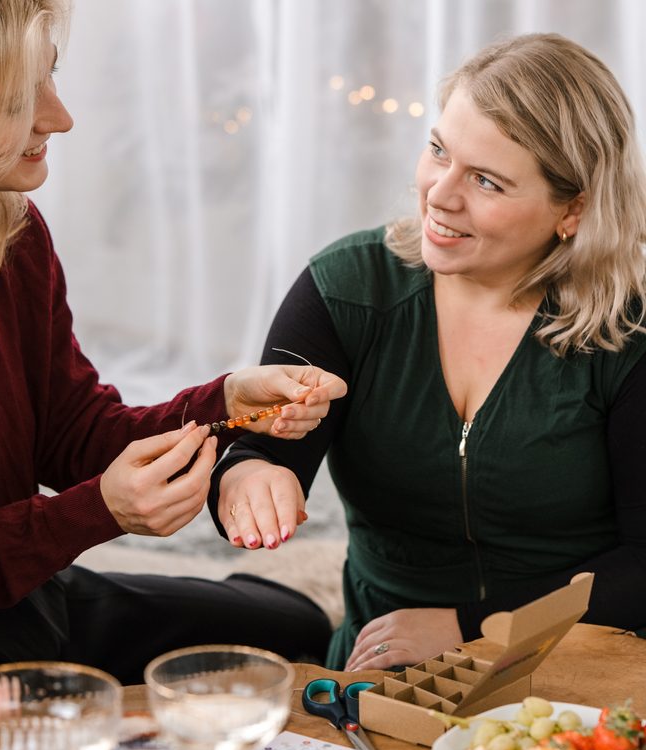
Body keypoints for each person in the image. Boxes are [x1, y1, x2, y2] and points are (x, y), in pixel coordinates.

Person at [0, 0, 348, 686]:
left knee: (296, 626)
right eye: (17, 101)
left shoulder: (12, 234)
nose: (59, 117)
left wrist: (223, 402)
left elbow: (72, 432)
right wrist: (92, 514)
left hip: (24, 590)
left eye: (51, 77)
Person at [209, 33, 646, 672]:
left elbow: (642, 566)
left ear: (572, 209)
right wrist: (247, 476)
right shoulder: (346, 290)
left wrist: (473, 628)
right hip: (380, 663)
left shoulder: (628, 328)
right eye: (439, 150)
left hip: (580, 664)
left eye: (487, 181)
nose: (440, 194)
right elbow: (255, 450)